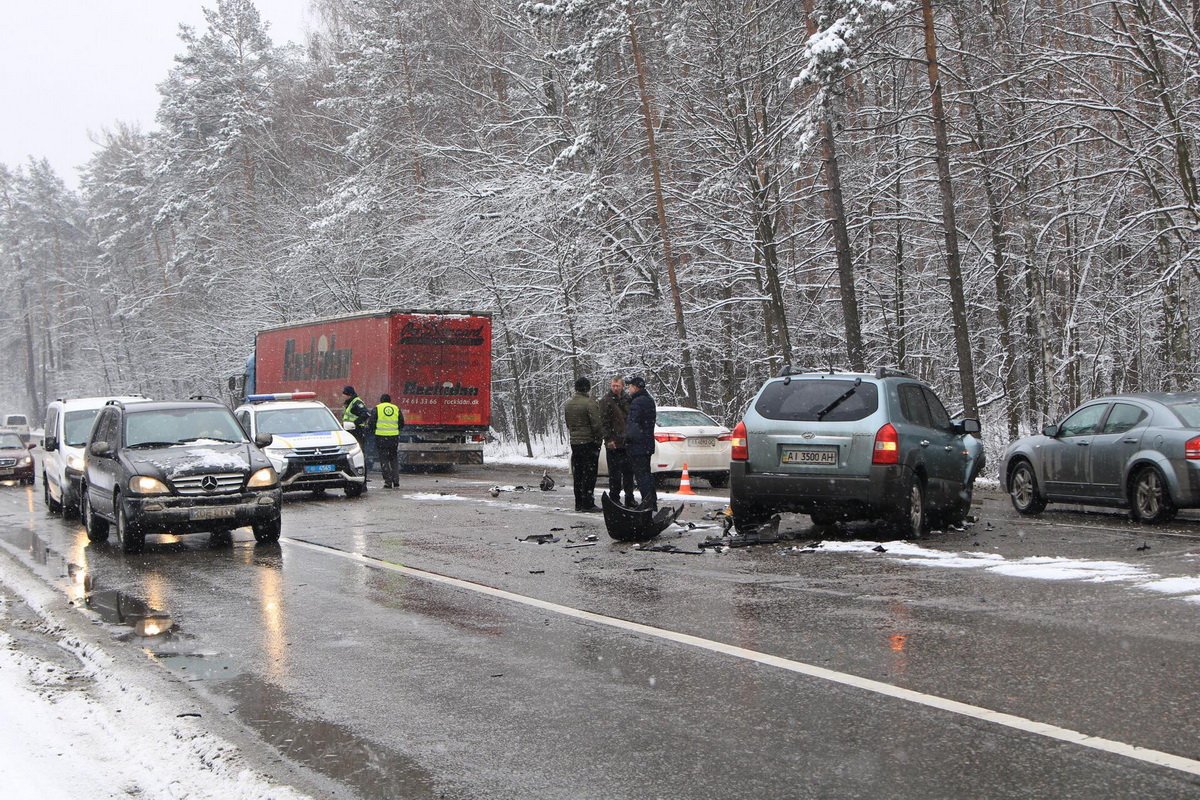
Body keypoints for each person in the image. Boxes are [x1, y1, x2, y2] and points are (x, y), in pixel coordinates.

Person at [564, 377, 603, 512]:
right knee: (589, 474)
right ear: (588, 388)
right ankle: (588, 502)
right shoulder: (590, 403)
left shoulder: (568, 404)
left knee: (578, 473)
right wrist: (598, 440)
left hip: (575, 443)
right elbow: (597, 424)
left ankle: (578, 503)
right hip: (589, 442)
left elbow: (568, 424)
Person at [598, 375, 636, 507]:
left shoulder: (628, 399)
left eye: (617, 386)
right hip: (613, 442)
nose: (615, 388)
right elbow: (604, 422)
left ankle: (629, 498)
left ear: (622, 386)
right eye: (613, 386)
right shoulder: (606, 401)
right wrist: (608, 439)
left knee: (628, 473)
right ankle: (614, 498)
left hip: (627, 442)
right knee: (615, 474)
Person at [624, 375, 658, 511]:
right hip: (647, 444)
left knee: (642, 477)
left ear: (635, 387)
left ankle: (648, 504)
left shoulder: (637, 402)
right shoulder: (649, 400)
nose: (628, 389)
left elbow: (633, 424)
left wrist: (627, 439)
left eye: (630, 387)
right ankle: (652, 503)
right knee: (647, 475)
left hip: (638, 446)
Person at [369, 393, 404, 488]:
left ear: (381, 400)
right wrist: (396, 430)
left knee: (383, 459)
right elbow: (401, 422)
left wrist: (374, 431)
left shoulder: (377, 408)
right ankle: (396, 481)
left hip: (381, 437)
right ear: (390, 400)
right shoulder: (396, 408)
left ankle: (388, 482)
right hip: (394, 437)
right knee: (393, 458)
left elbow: (371, 423)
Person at [342, 386, 371, 475]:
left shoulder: (356, 402)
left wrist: (355, 423)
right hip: (350, 432)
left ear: (349, 394)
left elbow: (366, 414)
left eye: (344, 394)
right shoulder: (350, 403)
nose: (343, 396)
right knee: (352, 454)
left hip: (357, 432)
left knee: (359, 454)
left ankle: (362, 476)